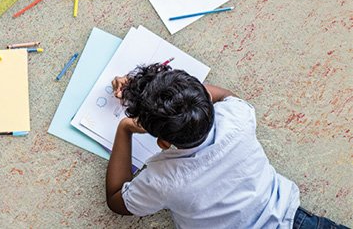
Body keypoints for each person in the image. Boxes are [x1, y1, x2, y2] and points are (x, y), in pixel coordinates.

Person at [106, 63, 348, 228]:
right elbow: (223, 95)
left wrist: (125, 128)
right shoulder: (238, 117)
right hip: (293, 221)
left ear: (163, 142)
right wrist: (171, 92)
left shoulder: (162, 180)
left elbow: (117, 200)